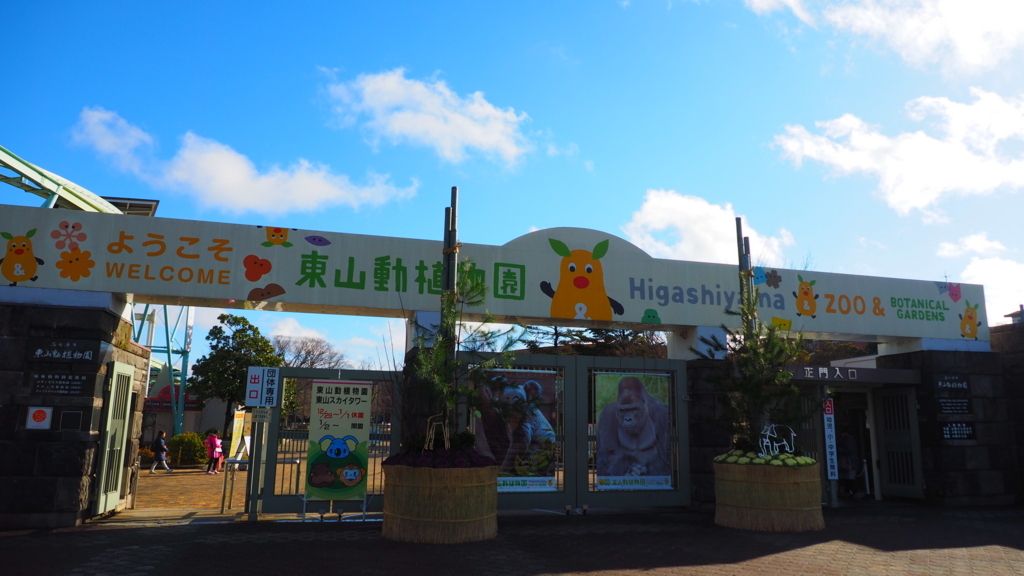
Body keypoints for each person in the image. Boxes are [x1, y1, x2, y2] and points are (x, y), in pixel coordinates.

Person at [838, 426, 860, 498]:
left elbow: (847, 451)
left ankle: (854, 494)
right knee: (848, 480)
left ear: (845, 433)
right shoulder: (852, 439)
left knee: (848, 480)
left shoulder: (847, 440)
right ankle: (849, 494)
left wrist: (838, 448)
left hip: (848, 462)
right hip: (852, 462)